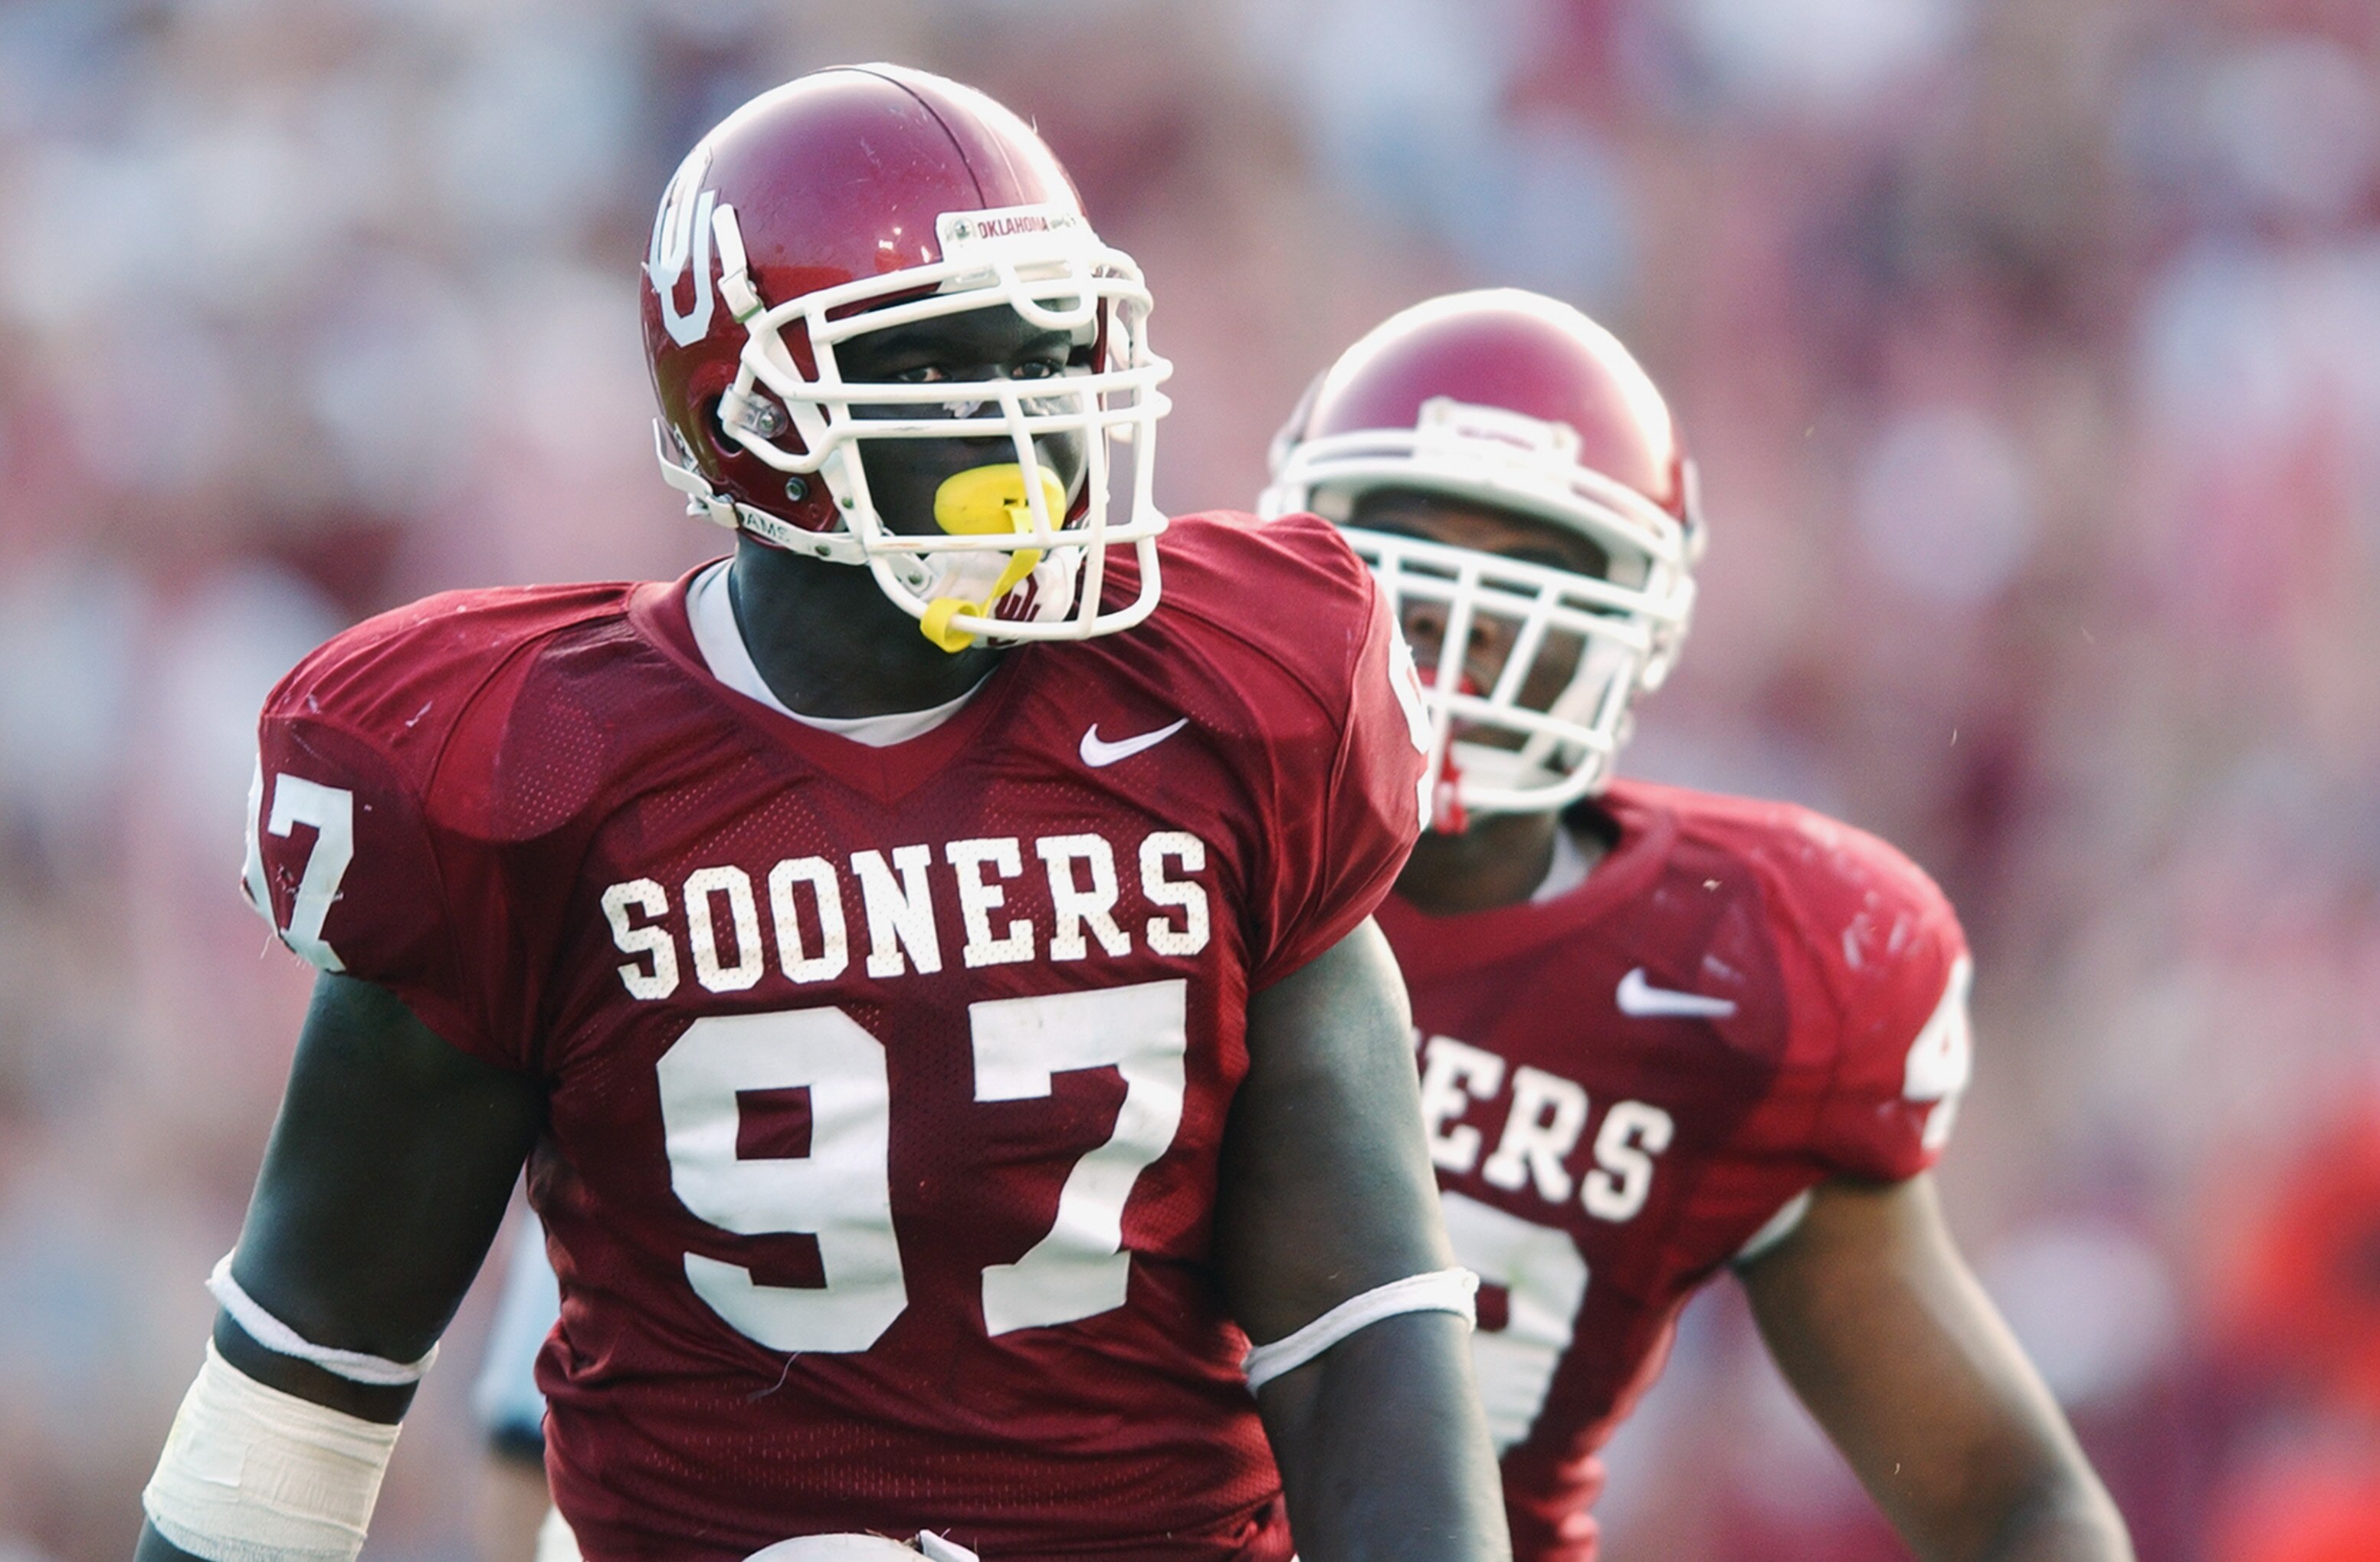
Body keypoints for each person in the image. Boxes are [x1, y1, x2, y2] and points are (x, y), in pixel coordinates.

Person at [134, 66, 1510, 1562]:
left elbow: (1364, 1329)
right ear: (752, 414)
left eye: (1050, 359)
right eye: (947, 371)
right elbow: (308, 1383)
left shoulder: (1237, 709)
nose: (1033, 431)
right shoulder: (520, 775)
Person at [1258, 289, 2134, 1562]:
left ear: (1642, 622)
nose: (1461, 624)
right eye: (1409, 554)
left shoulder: (1743, 973)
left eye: (1530, 569)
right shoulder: (1160, 848)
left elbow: (2013, 1505)